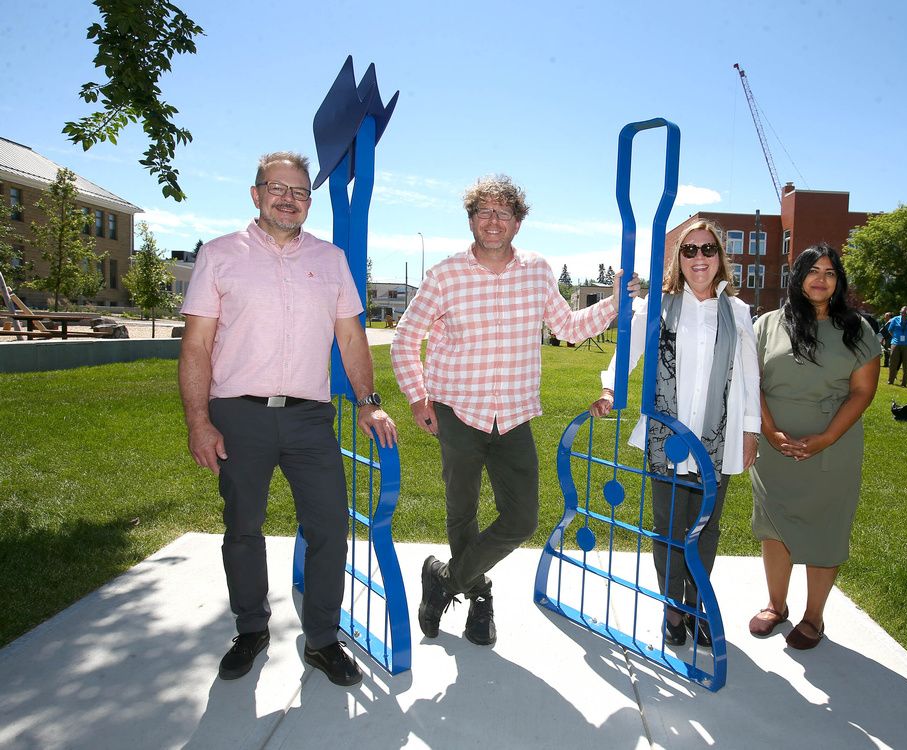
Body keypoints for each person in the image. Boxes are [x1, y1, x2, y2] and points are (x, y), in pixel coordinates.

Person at [390, 174, 638, 646]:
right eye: (483, 212)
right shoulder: (445, 275)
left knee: (521, 518)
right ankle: (479, 598)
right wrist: (419, 398)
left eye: (503, 213)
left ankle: (444, 580)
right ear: (471, 219)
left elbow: (567, 325)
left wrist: (613, 303)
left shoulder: (538, 270)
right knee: (460, 513)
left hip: (515, 414)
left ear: (518, 222)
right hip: (457, 408)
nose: (493, 221)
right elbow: (406, 338)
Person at [179, 151, 397, 686]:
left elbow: (351, 337)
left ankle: (321, 639)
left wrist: (367, 399)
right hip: (238, 416)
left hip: (308, 419)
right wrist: (198, 422)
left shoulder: (331, 259)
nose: (289, 198)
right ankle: (251, 629)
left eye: (300, 192)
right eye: (278, 188)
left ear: (308, 202)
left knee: (329, 526)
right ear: (256, 194)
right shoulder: (220, 255)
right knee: (243, 528)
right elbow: (198, 345)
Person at [590, 220, 760, 647]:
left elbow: (749, 377)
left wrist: (750, 429)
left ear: (720, 256)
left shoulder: (738, 312)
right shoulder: (659, 305)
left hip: (717, 436)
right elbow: (628, 350)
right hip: (667, 434)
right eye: (689, 250)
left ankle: (697, 603)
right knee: (669, 526)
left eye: (707, 249)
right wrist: (610, 388)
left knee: (706, 527)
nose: (699, 258)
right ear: (678, 259)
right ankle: (672, 607)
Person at [748, 244, 880, 649]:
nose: (821, 279)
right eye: (812, 271)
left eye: (830, 273)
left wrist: (825, 438)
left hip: (832, 449)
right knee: (774, 527)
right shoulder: (768, 325)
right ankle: (776, 605)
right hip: (774, 450)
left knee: (827, 529)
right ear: (798, 276)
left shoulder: (858, 330)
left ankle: (814, 617)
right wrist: (769, 432)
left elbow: (862, 392)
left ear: (838, 282)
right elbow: (751, 383)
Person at [886, 305, 907, 386]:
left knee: (906, 364)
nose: (903, 314)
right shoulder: (895, 319)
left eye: (905, 312)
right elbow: (890, 330)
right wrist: (895, 337)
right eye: (902, 312)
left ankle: (904, 383)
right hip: (896, 344)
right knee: (893, 363)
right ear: (900, 312)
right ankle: (891, 380)